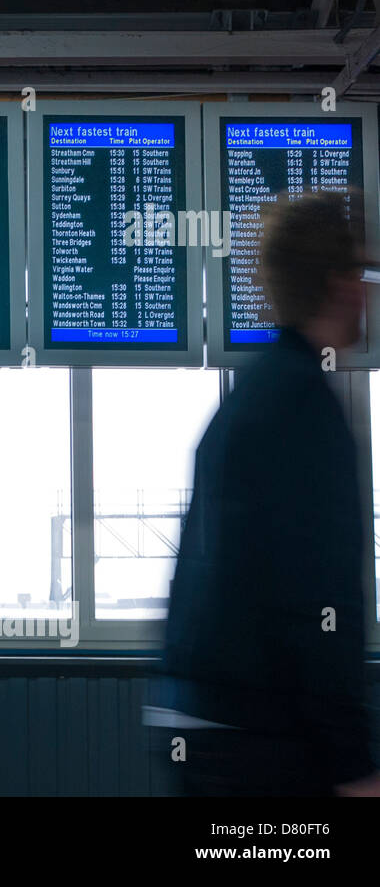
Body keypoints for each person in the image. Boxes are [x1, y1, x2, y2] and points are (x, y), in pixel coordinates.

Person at [157, 191, 380, 796]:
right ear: (338, 284)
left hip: (207, 724)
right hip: (264, 746)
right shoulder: (305, 404)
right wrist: (354, 765)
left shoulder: (249, 398)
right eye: (360, 272)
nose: (367, 289)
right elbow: (319, 606)